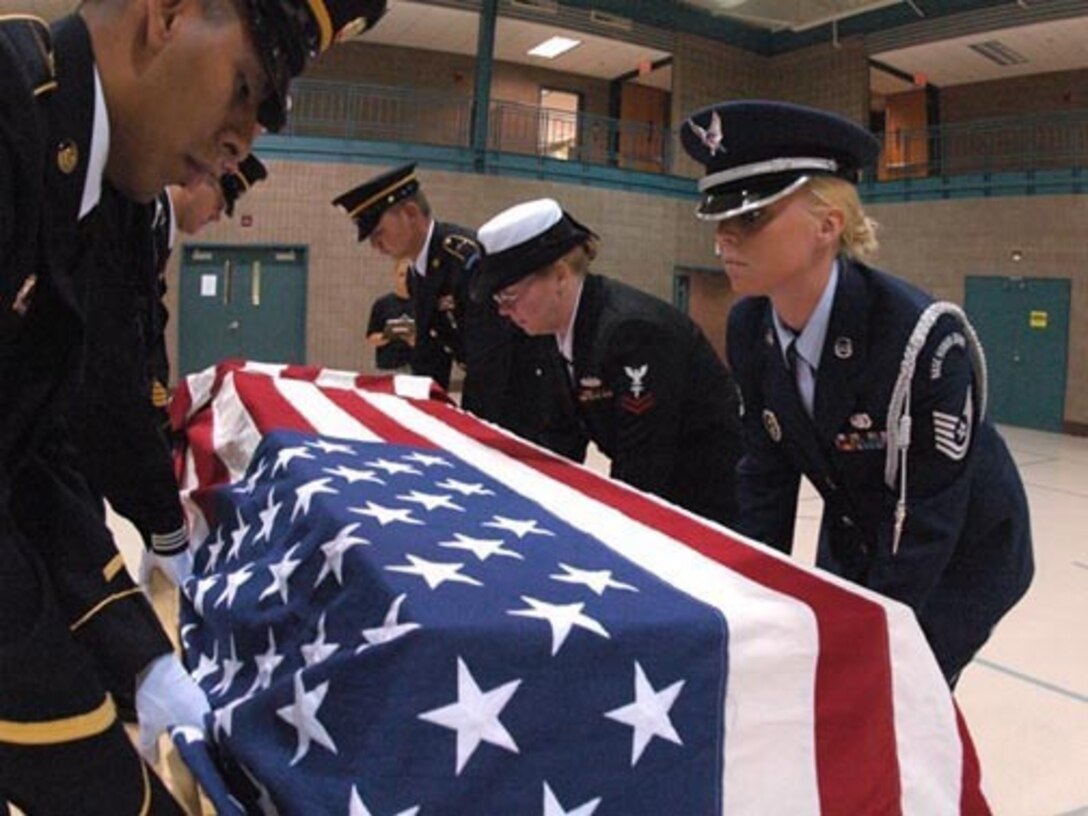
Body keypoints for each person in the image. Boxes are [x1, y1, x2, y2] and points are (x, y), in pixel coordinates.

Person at [0, 0, 386, 813]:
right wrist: (114, 785)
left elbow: (25, 452)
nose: (240, 141)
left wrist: (140, 656)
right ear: (169, 12)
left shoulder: (66, 161)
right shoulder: (10, 119)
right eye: (244, 87)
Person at [680, 99, 1034, 684]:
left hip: (961, 554)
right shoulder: (750, 328)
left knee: (898, 696)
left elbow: (928, 520)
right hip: (858, 524)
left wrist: (869, 644)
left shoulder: (920, 337)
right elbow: (765, 474)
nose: (724, 242)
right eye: (719, 221)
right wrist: (746, 601)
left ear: (828, 225)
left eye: (750, 219)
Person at [473, 198, 745, 528]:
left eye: (509, 296)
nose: (503, 311)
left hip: (706, 514)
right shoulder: (555, 329)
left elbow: (643, 466)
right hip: (665, 499)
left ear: (559, 275)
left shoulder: (632, 333)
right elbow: (560, 437)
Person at [333, 163, 581, 456]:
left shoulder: (463, 258)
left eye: (378, 233)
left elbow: (491, 355)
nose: (375, 245)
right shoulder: (418, 273)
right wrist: (424, 418)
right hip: (500, 396)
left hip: (530, 402)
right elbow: (430, 353)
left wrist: (474, 433)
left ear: (411, 214)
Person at [366, 258, 416, 371]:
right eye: (401, 275)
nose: (405, 280)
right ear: (394, 275)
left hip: (415, 366)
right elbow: (371, 337)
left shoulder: (421, 304)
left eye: (409, 276)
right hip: (388, 367)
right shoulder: (382, 304)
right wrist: (388, 335)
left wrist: (412, 340)